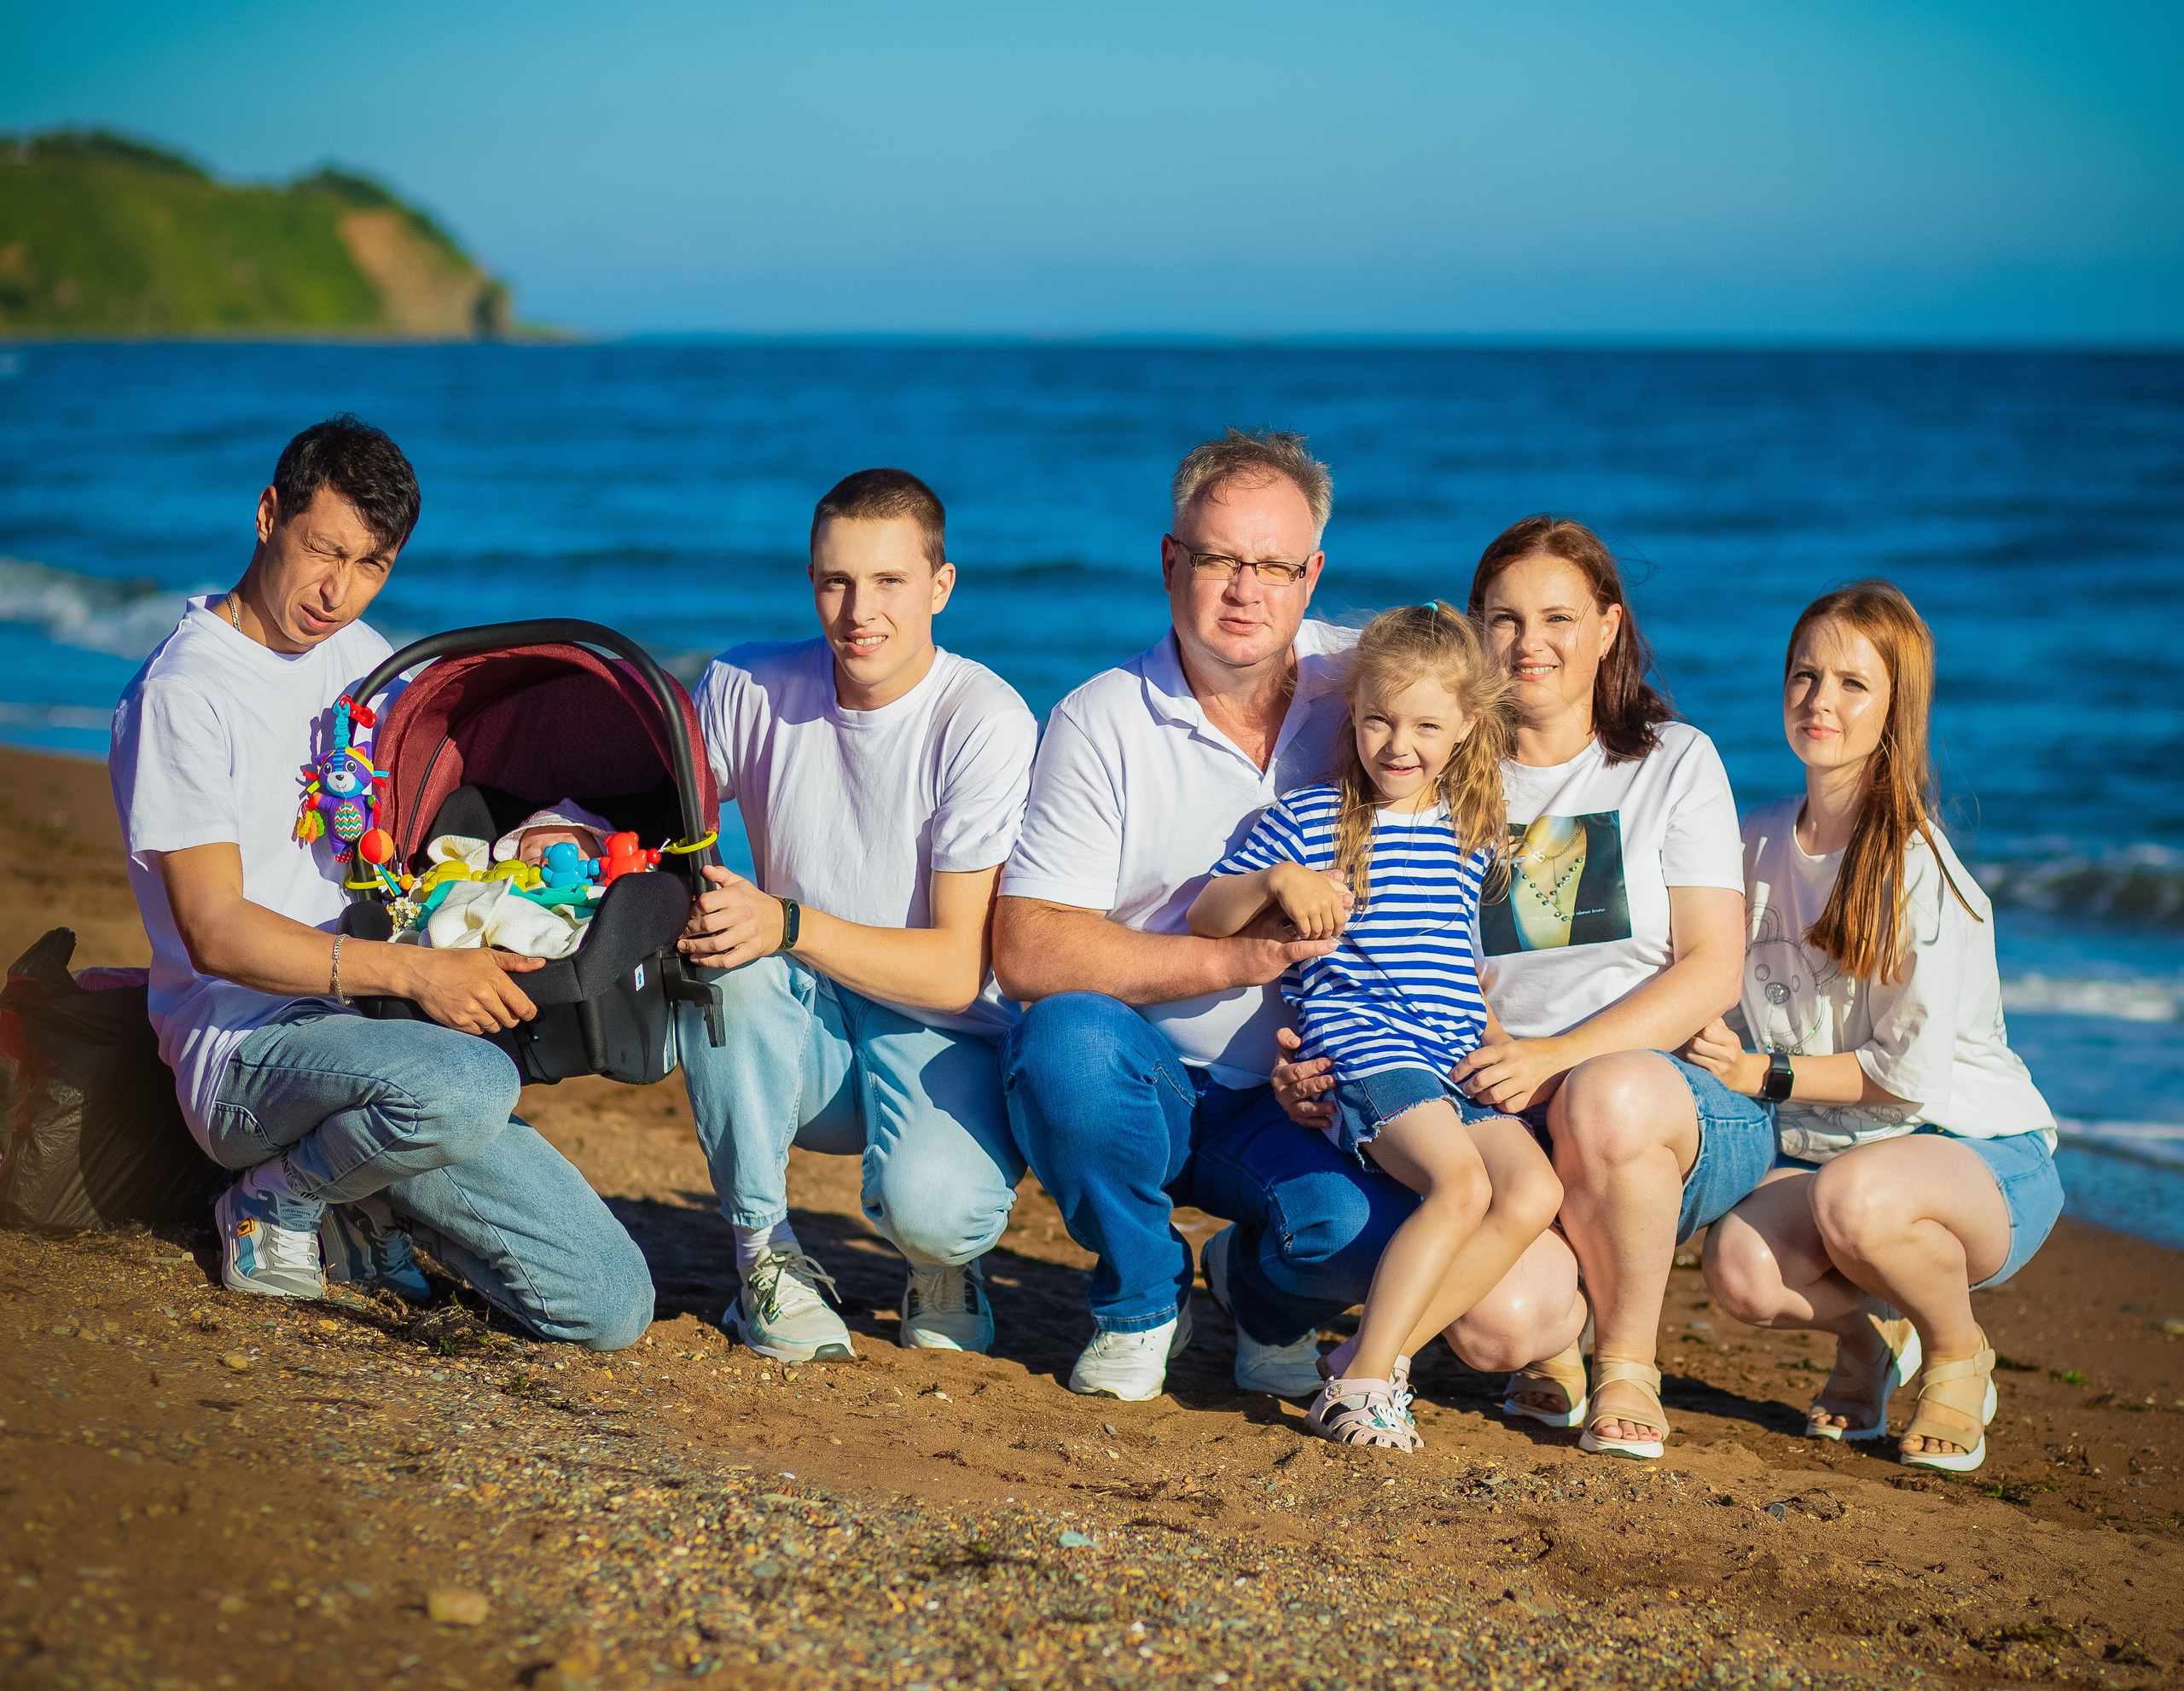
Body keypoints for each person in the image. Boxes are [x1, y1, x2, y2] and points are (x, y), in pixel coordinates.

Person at [111, 415, 653, 1348]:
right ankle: (271, 1198)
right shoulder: (186, 692)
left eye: (372, 565)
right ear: (268, 513)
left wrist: (532, 873)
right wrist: (414, 976)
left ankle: (356, 1200)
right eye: (324, 549)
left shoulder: (362, 660)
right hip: (247, 1048)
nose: (339, 591)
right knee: (473, 1086)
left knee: (607, 1303)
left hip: (385, 1054)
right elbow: (215, 930)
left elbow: (414, 845)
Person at [1274, 515, 1763, 1460]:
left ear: (1609, 626)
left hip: (1658, 1107)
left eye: (1558, 617)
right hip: (1492, 1107)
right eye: (1502, 619)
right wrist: (1308, 1057)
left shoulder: (1671, 760)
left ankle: (1626, 1360)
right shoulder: (1436, 768)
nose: (1529, 643)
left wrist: (1557, 1055)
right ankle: (1557, 1327)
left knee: (1605, 1094)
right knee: (1500, 1328)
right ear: (1472, 631)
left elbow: (1713, 965)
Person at [994, 427, 1410, 1404]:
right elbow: (1029, 947)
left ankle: (1255, 1291)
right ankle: (1141, 1295)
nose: (1245, 589)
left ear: (1311, 575)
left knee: (1375, 1236)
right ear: (1173, 561)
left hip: (1308, 1093)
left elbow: (1506, 714)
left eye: (1273, 564)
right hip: (1145, 1074)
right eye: (1221, 557)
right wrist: (1233, 962)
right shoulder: (1101, 718)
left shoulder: (1369, 690)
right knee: (1063, 1041)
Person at [1693, 581, 2061, 1474]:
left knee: (1855, 1200)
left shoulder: (1914, 867)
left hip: (1973, 1150)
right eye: (1804, 674)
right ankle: (1868, 1343)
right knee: (1736, 1266)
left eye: (1852, 683)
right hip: (1836, 1156)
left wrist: (1760, 1074)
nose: (1820, 699)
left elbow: (1904, 1077)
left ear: (1897, 706)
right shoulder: (1748, 841)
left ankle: (1956, 1352)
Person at [673, 469, 1037, 1363]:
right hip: (810, 1034)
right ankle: (763, 1255)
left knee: (941, 1216)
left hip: (945, 1027)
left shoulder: (982, 719)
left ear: (939, 587)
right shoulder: (746, 681)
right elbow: (651, 810)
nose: (857, 610)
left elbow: (958, 968)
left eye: (888, 581)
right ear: (811, 580)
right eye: (835, 580)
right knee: (728, 958)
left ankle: (942, 1264)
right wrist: (567, 821)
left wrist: (790, 923)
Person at [1188, 604, 1561, 1449]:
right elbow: (1208, 915)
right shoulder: (1308, 820)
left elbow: (1462, 960)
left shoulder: (1473, 835)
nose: (1400, 743)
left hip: (1456, 1050)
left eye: (1427, 724)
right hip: (1369, 1047)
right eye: (1380, 719)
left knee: (1535, 1190)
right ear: (1352, 710)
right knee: (1459, 1186)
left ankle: (1366, 1350)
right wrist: (1279, 880)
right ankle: (1363, 1386)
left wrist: (1498, 1038)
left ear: (1466, 725)